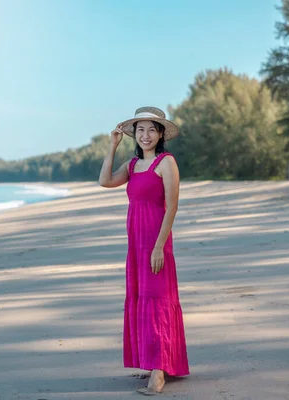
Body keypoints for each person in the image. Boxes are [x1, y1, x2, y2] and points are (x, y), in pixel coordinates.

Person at [98, 106, 190, 395]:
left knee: (159, 302)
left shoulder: (166, 163)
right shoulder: (132, 166)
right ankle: (154, 363)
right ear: (134, 134)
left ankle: (159, 374)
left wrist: (159, 247)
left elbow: (172, 207)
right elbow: (104, 181)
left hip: (156, 243)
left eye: (151, 129)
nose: (146, 135)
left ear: (160, 133)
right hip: (136, 246)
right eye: (140, 130)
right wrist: (112, 146)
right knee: (143, 300)